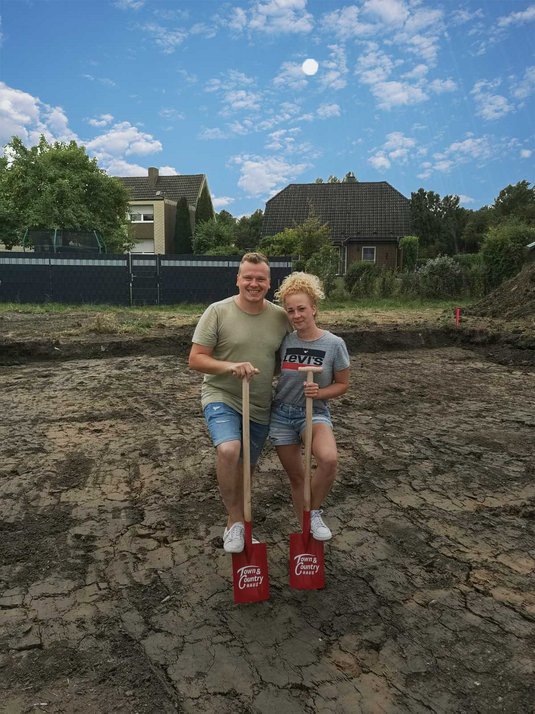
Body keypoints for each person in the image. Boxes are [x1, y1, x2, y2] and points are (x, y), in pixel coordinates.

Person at [188, 252, 289, 554]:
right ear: (237, 279)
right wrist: (230, 366)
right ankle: (235, 523)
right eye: (248, 277)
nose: (253, 283)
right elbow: (196, 359)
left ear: (269, 283)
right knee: (229, 449)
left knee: (247, 471)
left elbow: (286, 361)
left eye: (260, 279)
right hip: (223, 395)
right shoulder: (217, 312)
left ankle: (241, 522)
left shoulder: (280, 318)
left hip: (259, 404)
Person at [269, 272, 350, 541]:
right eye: (290, 310)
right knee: (298, 478)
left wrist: (320, 392)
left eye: (301, 308)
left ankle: (313, 512)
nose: (296, 315)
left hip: (314, 412)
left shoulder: (334, 344)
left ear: (314, 307)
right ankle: (303, 528)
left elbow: (342, 384)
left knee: (328, 459)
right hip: (281, 414)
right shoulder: (285, 341)